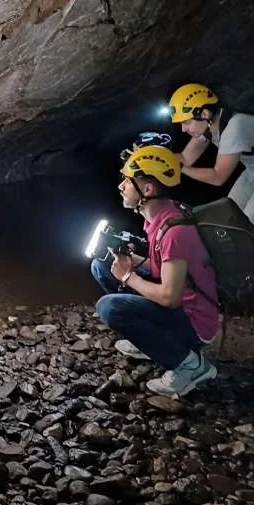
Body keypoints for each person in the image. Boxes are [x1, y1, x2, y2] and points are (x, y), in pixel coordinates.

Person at [90, 145, 220, 397]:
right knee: (101, 264)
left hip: (194, 323)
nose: (121, 187)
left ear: (147, 189)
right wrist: (133, 261)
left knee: (109, 307)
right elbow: (163, 267)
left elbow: (169, 297)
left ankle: (191, 366)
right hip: (178, 306)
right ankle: (150, 340)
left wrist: (129, 276)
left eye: (127, 182)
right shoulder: (157, 218)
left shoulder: (175, 232)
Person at [166, 83, 254, 234]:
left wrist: (181, 168)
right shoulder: (210, 125)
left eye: (186, 122)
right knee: (226, 215)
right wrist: (156, 156)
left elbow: (218, 177)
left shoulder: (234, 128)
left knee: (245, 229)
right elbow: (185, 157)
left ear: (204, 113)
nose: (183, 129)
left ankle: (253, 251)